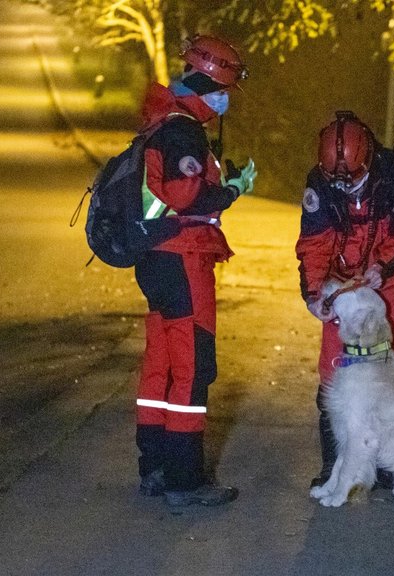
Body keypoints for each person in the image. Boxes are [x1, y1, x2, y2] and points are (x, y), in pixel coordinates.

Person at [133, 34, 257, 507]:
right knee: (193, 368)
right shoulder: (183, 131)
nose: (226, 102)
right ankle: (185, 481)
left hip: (154, 257)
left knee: (161, 366)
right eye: (224, 91)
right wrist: (232, 190)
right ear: (209, 83)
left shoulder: (159, 122)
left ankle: (155, 468)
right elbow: (187, 197)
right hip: (183, 259)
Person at [295, 111, 394, 488]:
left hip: (392, 284)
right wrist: (314, 293)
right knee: (333, 372)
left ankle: (389, 465)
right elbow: (315, 243)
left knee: (392, 368)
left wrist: (382, 268)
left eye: (352, 181)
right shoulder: (320, 184)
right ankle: (335, 466)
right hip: (345, 286)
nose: (344, 190)